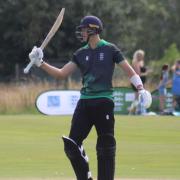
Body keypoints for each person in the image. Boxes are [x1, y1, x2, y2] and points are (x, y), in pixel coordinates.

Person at [27, 15, 152, 180]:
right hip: (85, 102)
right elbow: (61, 74)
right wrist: (40, 62)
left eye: (84, 30)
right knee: (72, 145)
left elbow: (130, 71)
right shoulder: (80, 53)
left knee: (105, 146)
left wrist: (141, 89)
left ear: (93, 29)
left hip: (104, 101)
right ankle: (85, 175)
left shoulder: (110, 49)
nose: (82, 33)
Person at [129, 49, 149, 115]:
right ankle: (132, 111)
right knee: (137, 97)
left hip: (142, 81)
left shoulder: (141, 62)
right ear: (138, 56)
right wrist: (146, 73)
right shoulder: (135, 62)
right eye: (141, 56)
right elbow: (138, 73)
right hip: (137, 81)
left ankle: (139, 110)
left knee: (141, 96)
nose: (142, 57)